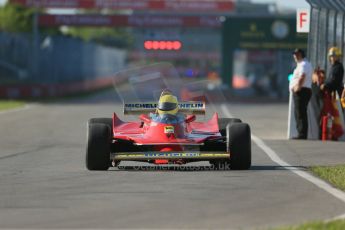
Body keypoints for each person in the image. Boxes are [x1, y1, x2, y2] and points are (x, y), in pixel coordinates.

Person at [290, 49, 313, 139]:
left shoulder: (304, 64)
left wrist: (297, 87)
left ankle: (302, 134)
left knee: (300, 112)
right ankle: (301, 132)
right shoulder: (301, 64)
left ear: (300, 55)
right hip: (302, 90)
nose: (294, 56)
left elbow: (302, 76)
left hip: (302, 90)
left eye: (296, 54)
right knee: (299, 112)